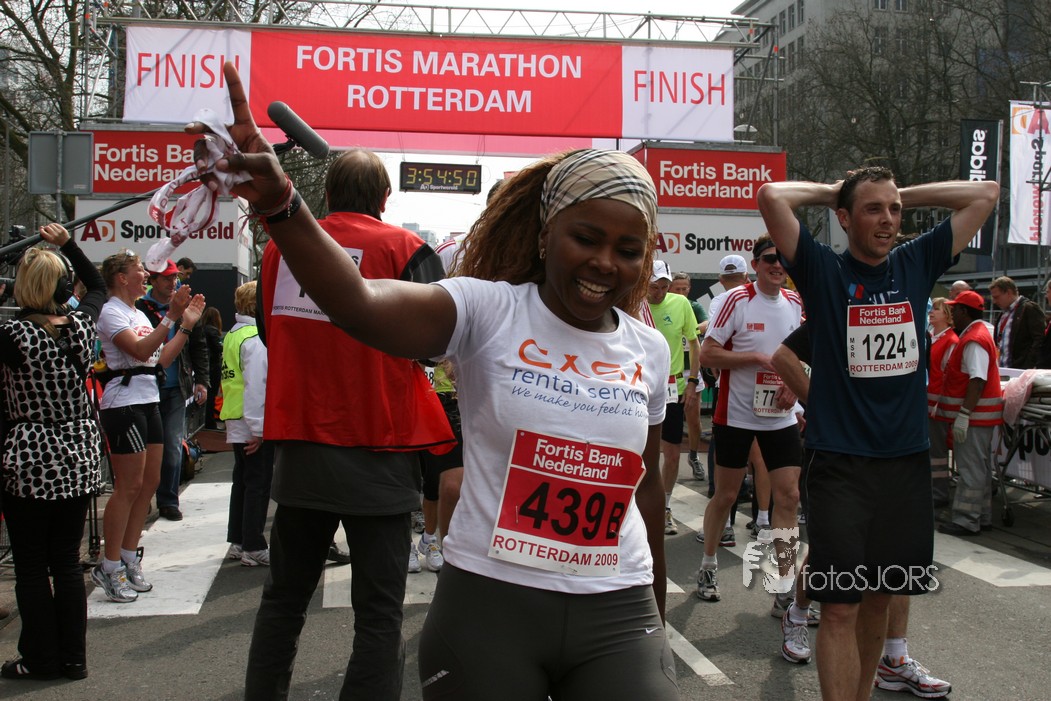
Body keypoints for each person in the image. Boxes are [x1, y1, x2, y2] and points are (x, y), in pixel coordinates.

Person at [191, 62, 678, 700]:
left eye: (628, 250)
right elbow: (359, 303)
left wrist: (657, 617)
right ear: (544, 234)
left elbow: (645, 490)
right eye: (586, 238)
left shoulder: (648, 347)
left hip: (617, 608)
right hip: (492, 607)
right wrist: (281, 205)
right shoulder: (486, 309)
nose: (605, 263)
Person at [757, 166, 998, 700]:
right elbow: (772, 196)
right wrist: (836, 192)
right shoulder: (823, 269)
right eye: (873, 210)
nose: (888, 219)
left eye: (895, 211)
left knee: (879, 600)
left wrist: (895, 192)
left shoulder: (915, 261)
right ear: (844, 219)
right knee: (839, 605)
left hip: (904, 464)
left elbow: (984, 193)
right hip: (840, 463)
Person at [247, 147, 455, 700]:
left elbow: (269, 333)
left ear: (328, 194)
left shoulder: (280, 248)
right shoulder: (408, 249)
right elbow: (434, 347)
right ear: (385, 197)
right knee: (380, 613)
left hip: (303, 441)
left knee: (283, 602)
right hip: (381, 444)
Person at [772, 325, 951, 699]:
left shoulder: (913, 313)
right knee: (839, 594)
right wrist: (825, 407)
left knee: (887, 583)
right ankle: (798, 613)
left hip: (899, 460)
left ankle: (895, 657)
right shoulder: (839, 305)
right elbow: (783, 356)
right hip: (841, 458)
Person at [0, 224, 105, 680]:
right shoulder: (81, 326)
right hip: (77, 453)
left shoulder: (14, 336)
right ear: (61, 286)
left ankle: (40, 658)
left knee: (30, 564)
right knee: (65, 560)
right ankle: (74, 659)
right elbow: (97, 285)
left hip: (31, 454)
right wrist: (68, 245)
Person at [695, 235, 803, 603]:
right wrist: (756, 358)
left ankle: (784, 585)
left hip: (780, 418)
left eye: (783, 259)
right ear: (755, 265)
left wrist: (795, 384)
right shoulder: (737, 300)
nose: (778, 265)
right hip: (736, 415)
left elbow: (806, 354)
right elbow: (708, 355)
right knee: (726, 495)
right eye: (770, 259)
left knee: (788, 496)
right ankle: (708, 564)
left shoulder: (795, 303)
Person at [94, 249, 205, 603]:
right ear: (121, 277)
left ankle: (129, 556)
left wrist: (185, 324)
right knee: (128, 486)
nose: (145, 275)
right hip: (123, 404)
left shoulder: (137, 312)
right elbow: (140, 351)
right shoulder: (111, 311)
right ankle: (109, 565)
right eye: (139, 270)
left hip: (148, 399)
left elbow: (162, 359)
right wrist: (170, 317)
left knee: (149, 484)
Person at [136, 258, 210, 521]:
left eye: (175, 277)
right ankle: (141, 499)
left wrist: (202, 381)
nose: (173, 282)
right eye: (167, 277)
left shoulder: (187, 308)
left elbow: (198, 345)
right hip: (145, 389)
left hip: (176, 387)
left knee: (172, 447)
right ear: (153, 280)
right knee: (142, 450)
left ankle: (168, 500)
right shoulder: (139, 308)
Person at [934, 290, 1003, 536]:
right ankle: (981, 517)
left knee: (970, 468)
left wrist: (964, 413)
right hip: (979, 416)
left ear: (964, 311)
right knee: (979, 468)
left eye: (955, 310)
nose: (952, 314)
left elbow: (977, 379)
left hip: (975, 416)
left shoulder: (974, 339)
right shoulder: (977, 335)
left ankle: (966, 520)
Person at [220, 282, 273, 566]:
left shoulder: (234, 333)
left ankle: (239, 541)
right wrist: (260, 430)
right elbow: (257, 386)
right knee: (258, 484)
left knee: (242, 482)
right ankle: (253, 545)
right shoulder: (255, 338)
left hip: (235, 416)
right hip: (251, 420)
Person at [648, 260, 700, 536]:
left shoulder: (680, 304)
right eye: (654, 287)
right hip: (640, 388)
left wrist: (692, 381)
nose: (659, 292)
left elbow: (694, 342)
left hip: (673, 387)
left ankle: (665, 507)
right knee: (639, 452)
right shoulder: (634, 304)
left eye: (664, 287)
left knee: (671, 453)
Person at [670, 272, 708, 480]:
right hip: (669, 372)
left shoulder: (693, 306)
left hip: (690, 369)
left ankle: (693, 456)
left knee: (693, 418)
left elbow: (707, 323)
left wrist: (690, 329)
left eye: (684, 289)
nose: (681, 292)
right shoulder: (666, 305)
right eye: (677, 289)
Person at [926, 298, 958, 508]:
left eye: (936, 309)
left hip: (938, 405)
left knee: (938, 452)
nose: (932, 312)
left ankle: (939, 492)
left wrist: (941, 402)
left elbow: (949, 375)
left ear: (947, 314)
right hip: (927, 402)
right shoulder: (931, 337)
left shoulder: (950, 341)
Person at [989, 276, 1044, 369]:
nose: (994, 301)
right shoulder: (1003, 314)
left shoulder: (1029, 308)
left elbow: (1039, 340)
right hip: (1002, 369)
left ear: (1008, 293)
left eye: (996, 297)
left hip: (1020, 370)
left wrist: (1028, 365)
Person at [200, 306, 224, 430]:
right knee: (211, 395)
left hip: (203, 366)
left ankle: (203, 421)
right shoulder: (213, 331)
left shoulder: (201, 329)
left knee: (204, 395)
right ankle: (210, 422)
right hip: (213, 367)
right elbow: (218, 348)